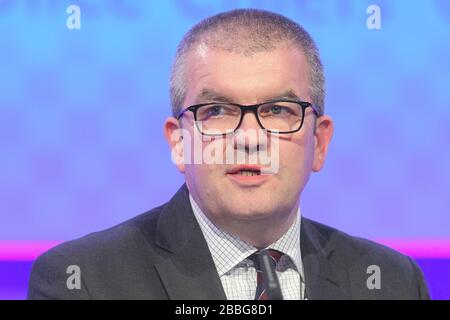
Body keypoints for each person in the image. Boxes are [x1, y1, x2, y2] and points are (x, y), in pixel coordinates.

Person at [28, 8, 430, 300]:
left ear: (320, 143)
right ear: (178, 142)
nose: (249, 137)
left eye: (278, 110)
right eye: (217, 111)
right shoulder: (81, 281)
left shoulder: (392, 282)